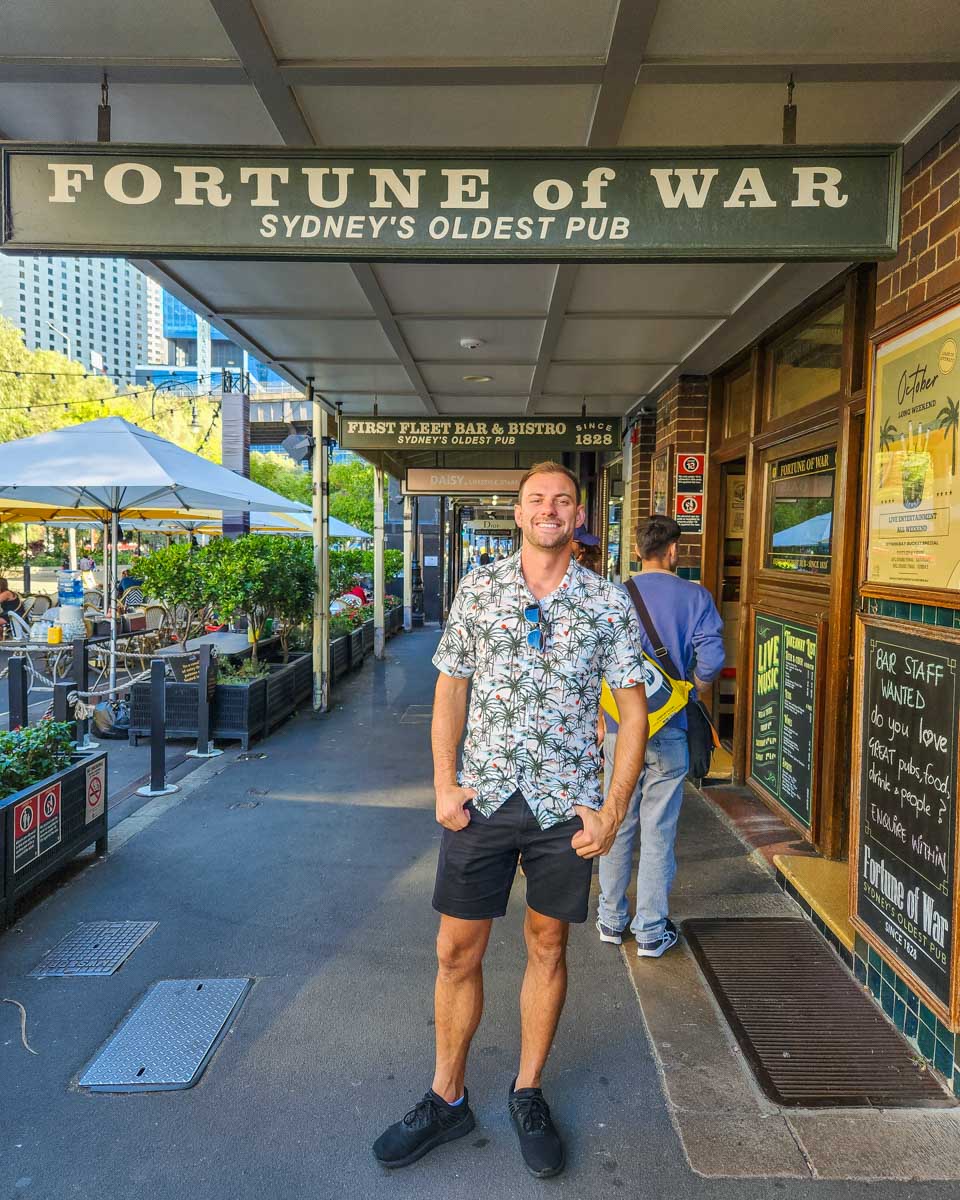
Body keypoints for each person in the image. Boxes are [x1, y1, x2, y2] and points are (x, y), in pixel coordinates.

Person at [373, 461, 649, 1179]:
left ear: (578, 515)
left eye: (562, 500)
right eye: (536, 500)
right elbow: (451, 688)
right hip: (484, 799)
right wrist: (443, 783)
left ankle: (528, 1091)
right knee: (454, 952)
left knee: (548, 947)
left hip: (566, 806)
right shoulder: (479, 589)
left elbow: (634, 712)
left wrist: (613, 810)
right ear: (519, 513)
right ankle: (447, 1097)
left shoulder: (608, 603)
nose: (549, 509)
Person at [596, 514, 724, 958]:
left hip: (619, 727)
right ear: (673, 551)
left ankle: (611, 918)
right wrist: (690, 689)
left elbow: (595, 661)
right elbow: (712, 660)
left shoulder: (614, 595)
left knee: (616, 818)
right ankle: (651, 930)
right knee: (659, 829)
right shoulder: (696, 597)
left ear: (636, 551)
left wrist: (601, 716)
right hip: (670, 728)